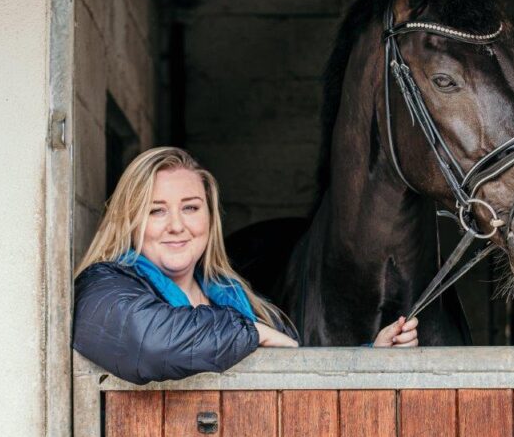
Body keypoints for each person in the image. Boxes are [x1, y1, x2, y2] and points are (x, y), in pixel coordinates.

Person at [73, 146, 418, 385]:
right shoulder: (104, 287)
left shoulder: (243, 303)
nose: (177, 225)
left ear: (210, 218)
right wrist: (248, 333)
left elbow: (300, 378)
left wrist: (372, 357)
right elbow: (149, 341)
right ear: (130, 221)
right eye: (156, 210)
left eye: (191, 208)